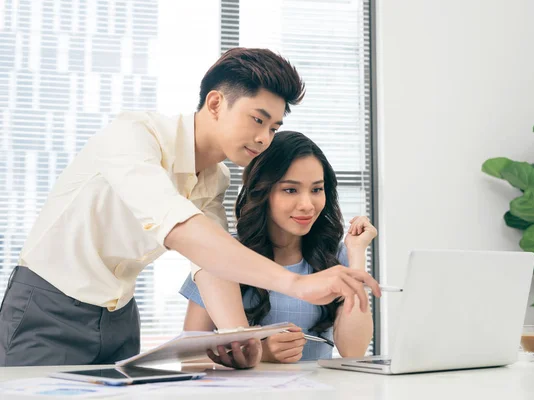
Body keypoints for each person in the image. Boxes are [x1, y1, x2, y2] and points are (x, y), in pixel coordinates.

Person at [0, 48, 381, 367]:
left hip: (119, 316)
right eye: (257, 120)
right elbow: (180, 228)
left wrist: (239, 339)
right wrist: (296, 284)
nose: (264, 138)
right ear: (216, 102)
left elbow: (213, 264)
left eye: (274, 127)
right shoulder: (135, 136)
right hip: (48, 306)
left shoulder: (214, 181)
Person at [180, 131, 377, 368]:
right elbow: (190, 361)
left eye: (316, 190)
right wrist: (260, 352)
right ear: (263, 191)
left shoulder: (333, 257)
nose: (307, 205)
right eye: (290, 190)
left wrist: (356, 256)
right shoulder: (222, 254)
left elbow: (353, 351)